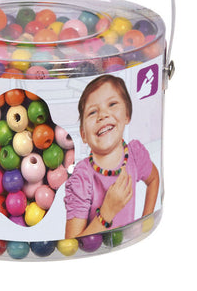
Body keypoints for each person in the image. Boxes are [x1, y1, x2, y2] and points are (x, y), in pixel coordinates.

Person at [64, 74, 159, 238]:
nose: (102, 115)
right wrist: (107, 212)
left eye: (112, 104)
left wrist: (145, 222)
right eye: (92, 112)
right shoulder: (82, 177)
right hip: (93, 253)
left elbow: (154, 179)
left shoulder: (134, 154)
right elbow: (71, 244)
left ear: (127, 114)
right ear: (83, 134)